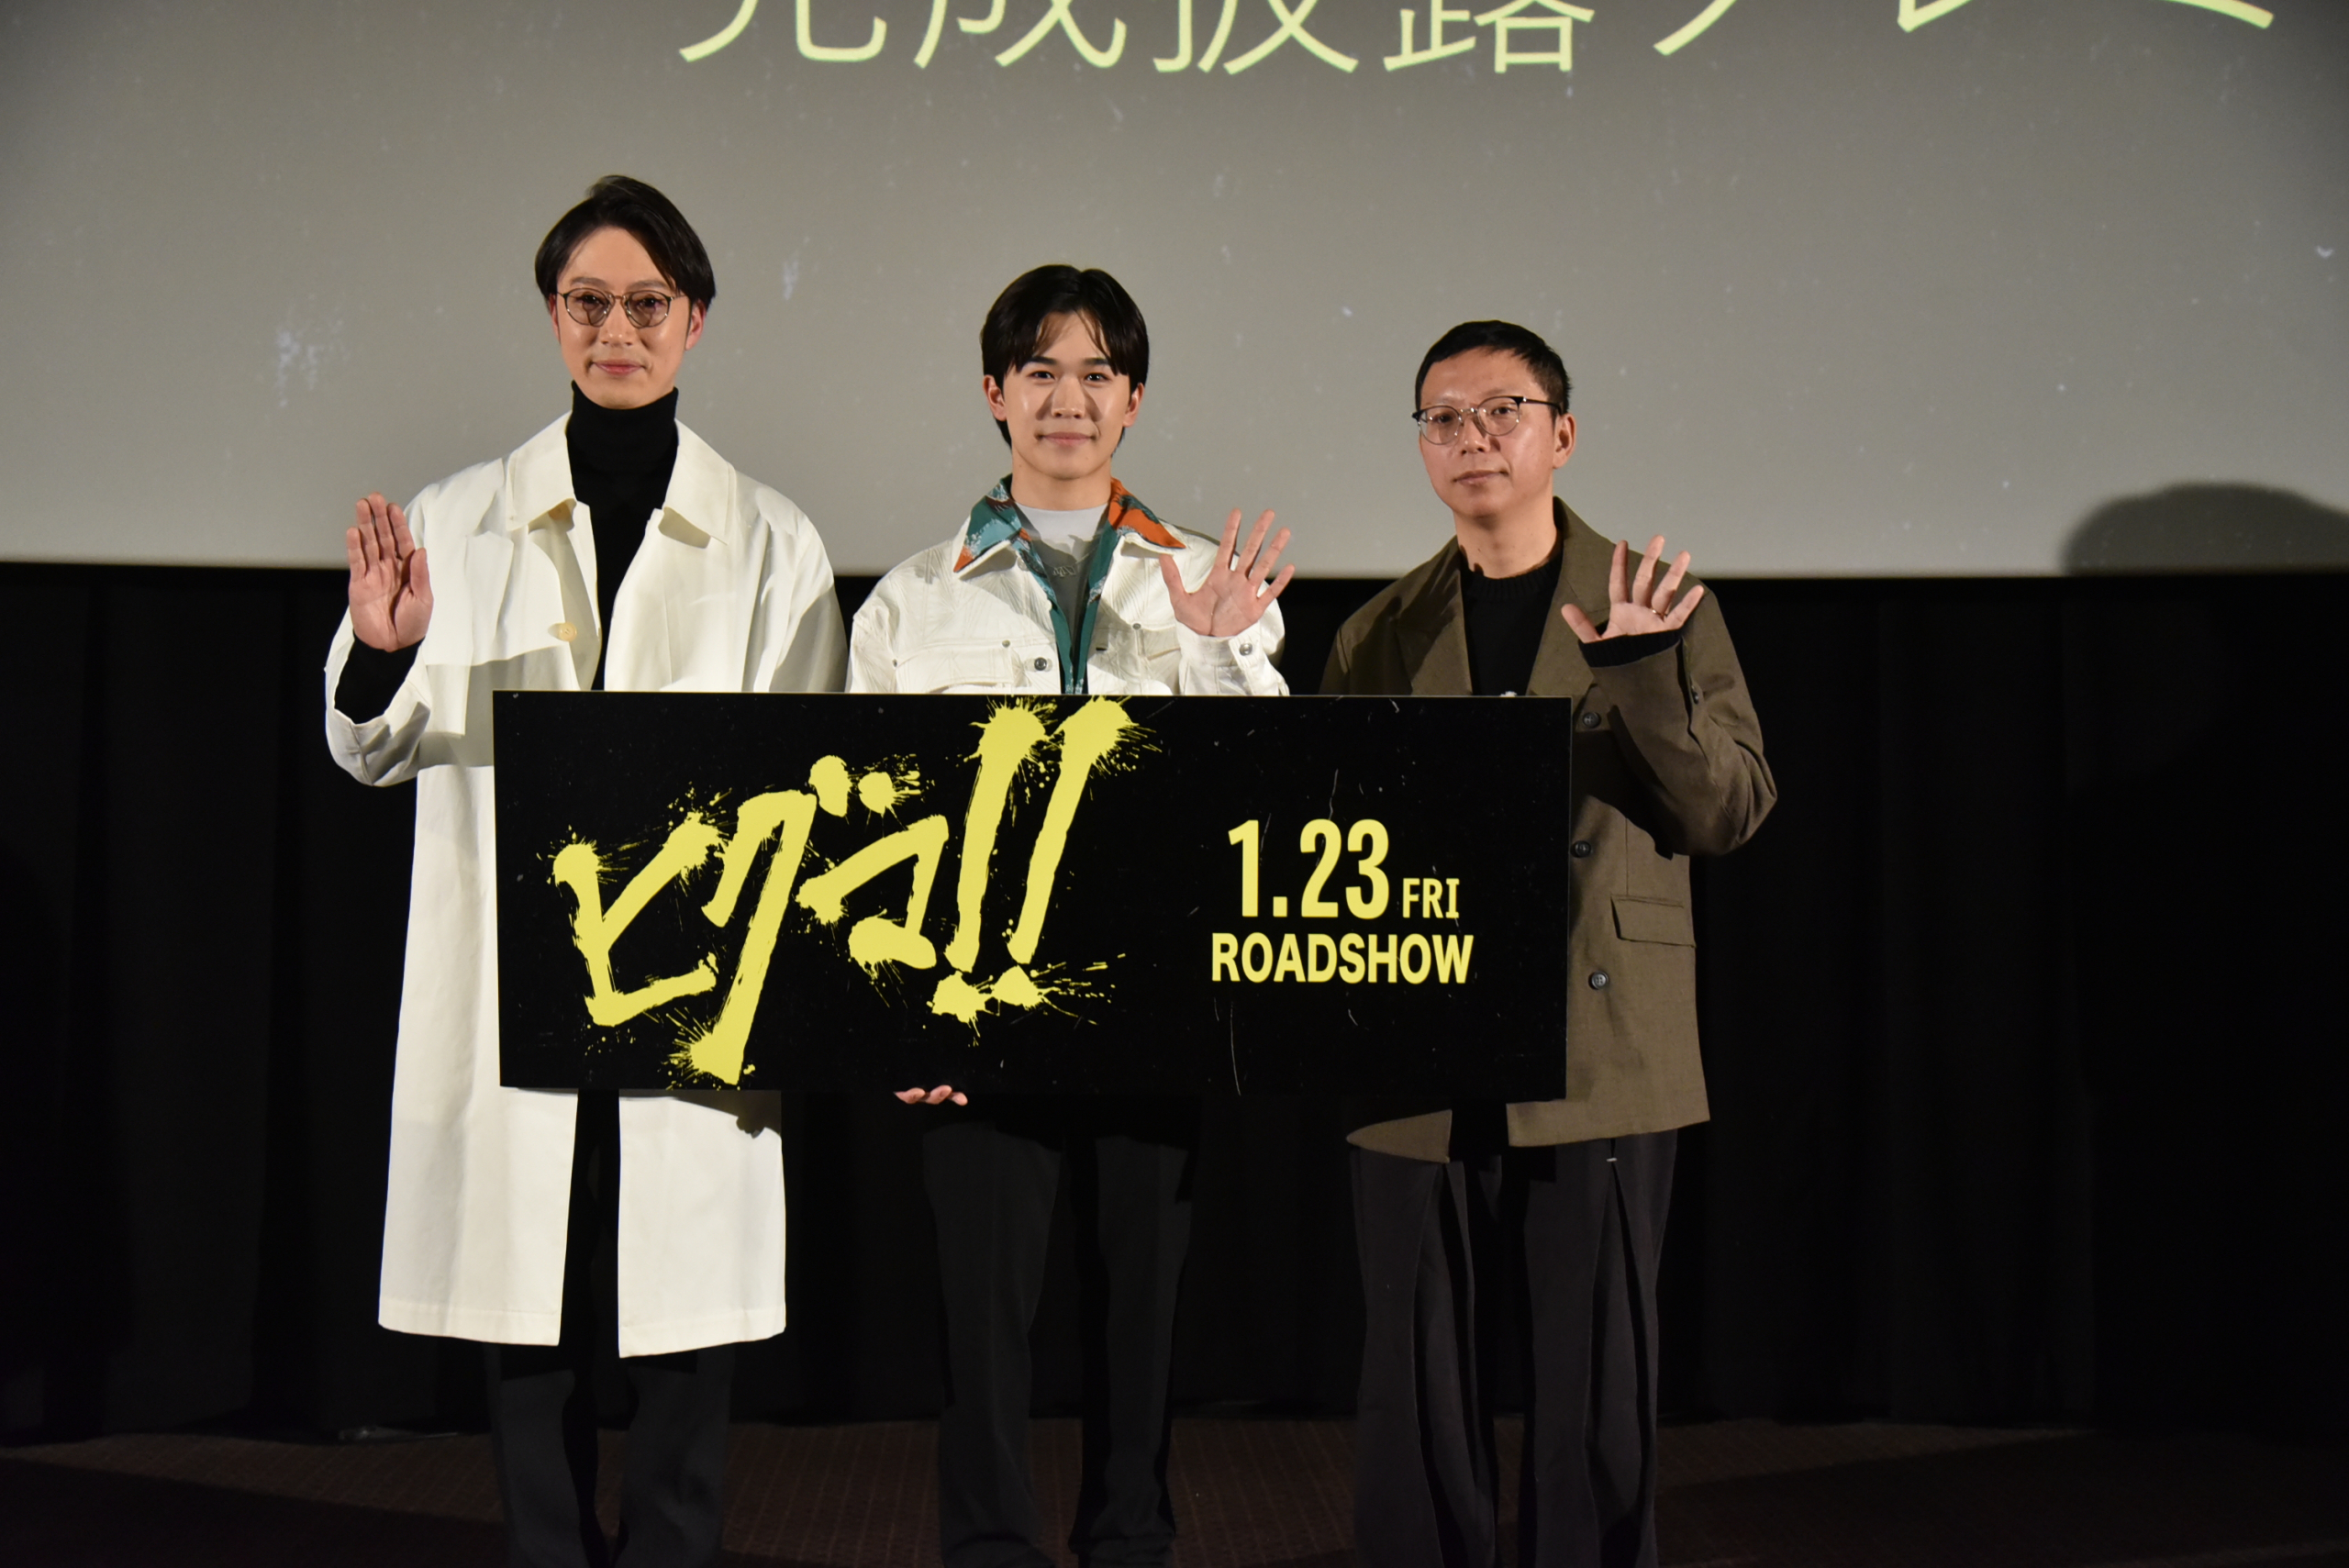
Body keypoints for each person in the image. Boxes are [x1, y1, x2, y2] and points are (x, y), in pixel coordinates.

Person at [324, 175, 846, 1568]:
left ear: (695, 320)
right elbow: (370, 748)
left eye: (647, 303)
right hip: (519, 986)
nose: (618, 330)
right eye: (588, 302)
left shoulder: (773, 539)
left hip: (692, 990)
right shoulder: (457, 519)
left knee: (682, 1346)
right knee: (530, 1331)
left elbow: (811, 787)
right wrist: (382, 650)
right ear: (552, 316)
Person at [850, 263, 1292, 1568]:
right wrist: (901, 1017)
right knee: (981, 1329)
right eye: (1040, 370)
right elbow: (868, 836)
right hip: (975, 1010)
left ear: (1134, 400)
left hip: (1154, 1003)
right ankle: (989, 1547)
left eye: (1098, 372)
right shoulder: (912, 597)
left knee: (1140, 1317)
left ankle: (1130, 1543)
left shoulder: (1204, 578)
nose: (1068, 398)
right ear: (995, 392)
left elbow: (1264, 793)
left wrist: (1214, 644)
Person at [1321, 321, 1776, 1568]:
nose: (1472, 438)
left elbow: (1729, 812)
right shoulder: (1379, 631)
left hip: (1603, 1029)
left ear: (1561, 434)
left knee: (1596, 1380)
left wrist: (1638, 675)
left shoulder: (1659, 603)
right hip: (1421, 1032)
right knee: (1419, 1374)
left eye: (1502, 412)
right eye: (1444, 418)